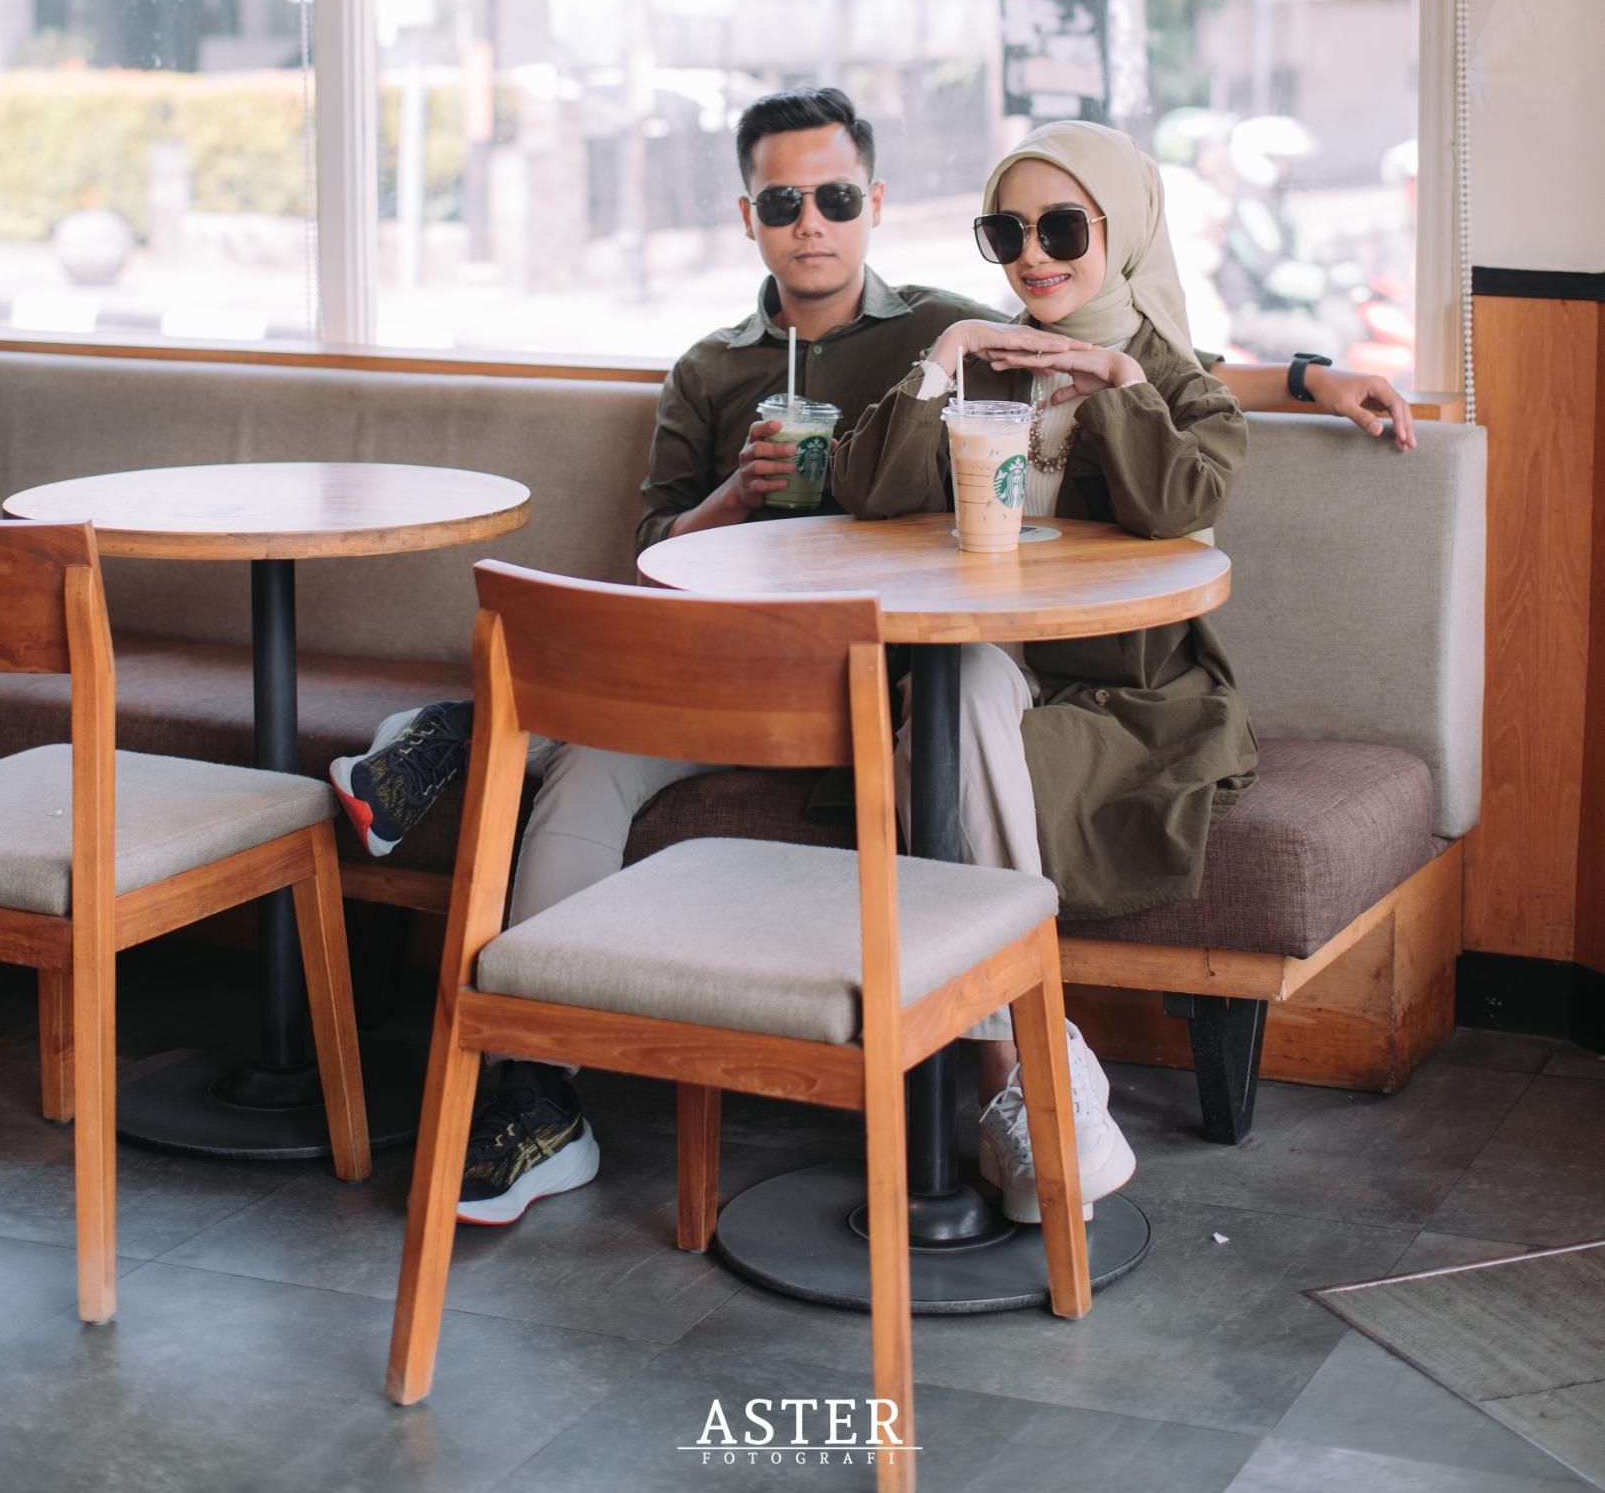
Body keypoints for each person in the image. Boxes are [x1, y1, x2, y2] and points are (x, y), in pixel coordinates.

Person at [328, 89, 1410, 1226]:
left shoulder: (951, 329)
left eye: (836, 198)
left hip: (896, 668)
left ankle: (480, 726)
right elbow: (652, 552)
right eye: (783, 203)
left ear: (874, 204)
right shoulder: (719, 366)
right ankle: (534, 1091)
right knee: (594, 759)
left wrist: (1312, 377)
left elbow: (1131, 348)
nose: (811, 223)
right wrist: (739, 492)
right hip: (738, 664)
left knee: (933, 695)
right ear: (748, 215)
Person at [828, 118, 1257, 1229]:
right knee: (960, 684)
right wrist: (940, 358)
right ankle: (1031, 1065)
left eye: (1062, 228)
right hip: (990, 666)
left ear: (1122, 232)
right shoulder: (986, 361)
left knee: (935, 749)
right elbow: (867, 493)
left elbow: (1178, 505)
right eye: (1005, 232)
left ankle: (1008, 1076)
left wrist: (1117, 380)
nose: (1032, 254)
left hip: (1129, 699)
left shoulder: (1182, 382)